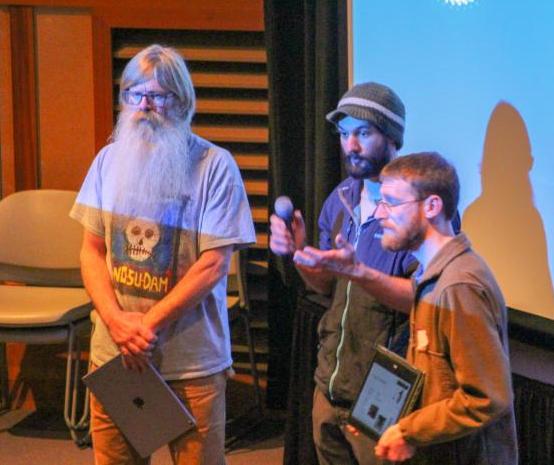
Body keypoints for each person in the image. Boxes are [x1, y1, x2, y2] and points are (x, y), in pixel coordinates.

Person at [70, 44, 255, 465]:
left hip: (191, 363)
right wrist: (117, 323)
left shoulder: (215, 166)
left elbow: (213, 265)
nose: (145, 106)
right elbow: (91, 251)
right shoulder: (107, 161)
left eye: (157, 96)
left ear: (182, 101)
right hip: (116, 355)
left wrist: (144, 327)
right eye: (135, 94)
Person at [299, 152, 518, 465]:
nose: (380, 213)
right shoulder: (432, 278)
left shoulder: (458, 287)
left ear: (431, 206)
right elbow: (433, 378)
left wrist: (408, 431)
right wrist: (383, 416)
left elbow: (486, 398)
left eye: (390, 202)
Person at [270, 82, 416, 465]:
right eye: (344, 133)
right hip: (331, 384)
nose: (350, 145)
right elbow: (327, 289)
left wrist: (360, 272)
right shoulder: (340, 200)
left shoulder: (416, 207)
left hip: (384, 390)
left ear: (391, 137)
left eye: (363, 133)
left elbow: (426, 301)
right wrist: (300, 253)